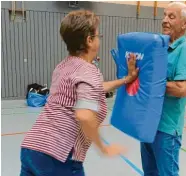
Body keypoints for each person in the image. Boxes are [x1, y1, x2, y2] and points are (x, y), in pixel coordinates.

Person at [20, 10, 139, 176]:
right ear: (89, 41)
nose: (99, 40)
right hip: (59, 155)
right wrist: (103, 148)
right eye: (98, 36)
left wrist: (126, 79)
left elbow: (94, 88)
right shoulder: (88, 71)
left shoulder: (63, 67)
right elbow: (84, 115)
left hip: (32, 147)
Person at [140, 2, 186, 176]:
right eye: (164, 15)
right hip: (148, 125)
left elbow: (181, 89)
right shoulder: (158, 47)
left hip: (166, 129)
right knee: (150, 172)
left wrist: (149, 82)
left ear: (185, 24)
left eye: (171, 17)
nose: (165, 20)